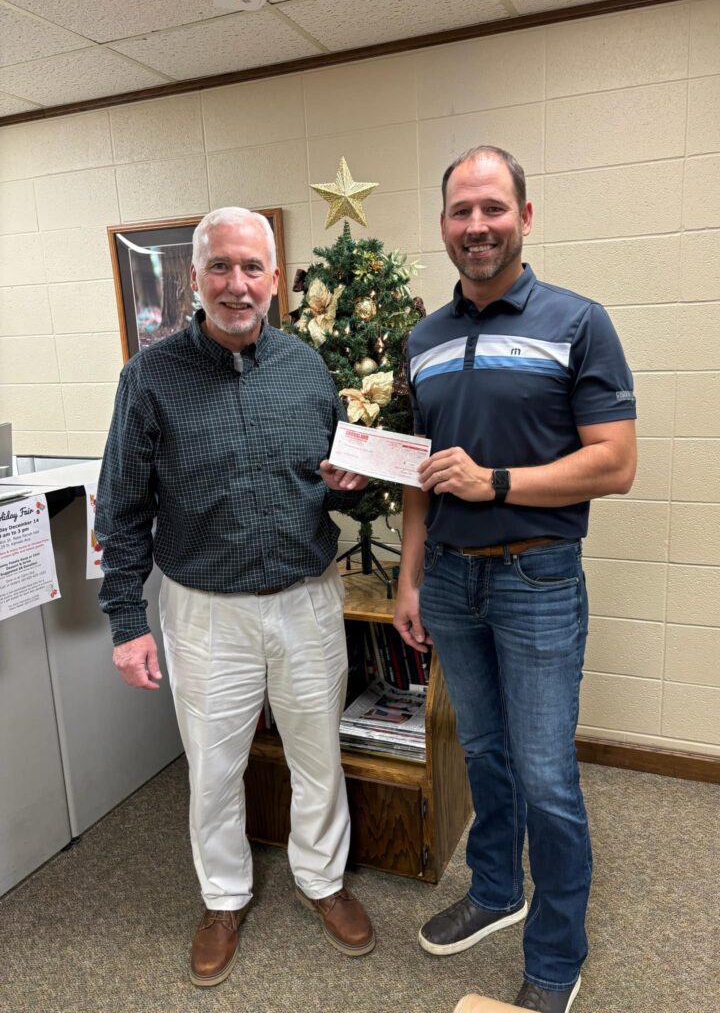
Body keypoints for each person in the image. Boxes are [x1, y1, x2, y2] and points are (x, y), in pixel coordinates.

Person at [96, 207, 375, 988]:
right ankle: (223, 897)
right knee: (215, 767)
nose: (237, 284)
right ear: (195, 277)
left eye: (252, 267)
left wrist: (347, 484)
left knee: (318, 754)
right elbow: (121, 506)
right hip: (204, 610)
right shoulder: (149, 378)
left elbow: (330, 481)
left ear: (275, 279)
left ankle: (323, 879)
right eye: (220, 266)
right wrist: (126, 620)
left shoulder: (307, 369)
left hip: (306, 599)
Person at [393, 147, 636, 1013]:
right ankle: (497, 890)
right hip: (449, 581)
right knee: (485, 755)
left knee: (545, 775)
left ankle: (557, 955)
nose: (477, 226)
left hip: (538, 579)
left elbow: (615, 464)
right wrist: (409, 580)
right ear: (444, 225)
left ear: (524, 217)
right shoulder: (422, 339)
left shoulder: (579, 322)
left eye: (493, 208)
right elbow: (420, 474)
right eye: (461, 211)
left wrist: (496, 482)